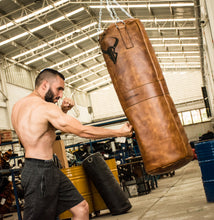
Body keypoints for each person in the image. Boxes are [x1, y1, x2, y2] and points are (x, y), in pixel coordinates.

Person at [11, 68, 133, 220]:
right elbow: (82, 131)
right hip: (40, 173)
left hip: (42, 168)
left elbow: (40, 131)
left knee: (81, 209)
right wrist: (119, 132)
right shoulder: (46, 108)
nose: (61, 95)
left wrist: (62, 111)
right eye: (59, 89)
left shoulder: (18, 106)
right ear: (44, 85)